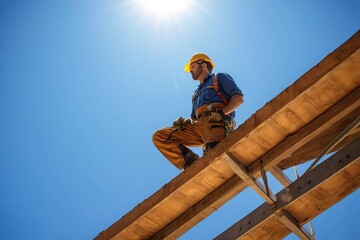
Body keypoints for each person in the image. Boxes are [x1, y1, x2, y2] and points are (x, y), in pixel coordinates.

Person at [153, 53, 244, 170]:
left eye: (193, 66)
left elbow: (238, 99)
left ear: (204, 65)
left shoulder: (219, 78)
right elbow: (195, 119)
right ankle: (191, 163)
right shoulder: (195, 95)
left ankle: (212, 150)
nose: (190, 70)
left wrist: (221, 113)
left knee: (213, 154)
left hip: (218, 124)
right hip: (200, 127)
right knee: (160, 136)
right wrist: (186, 122)